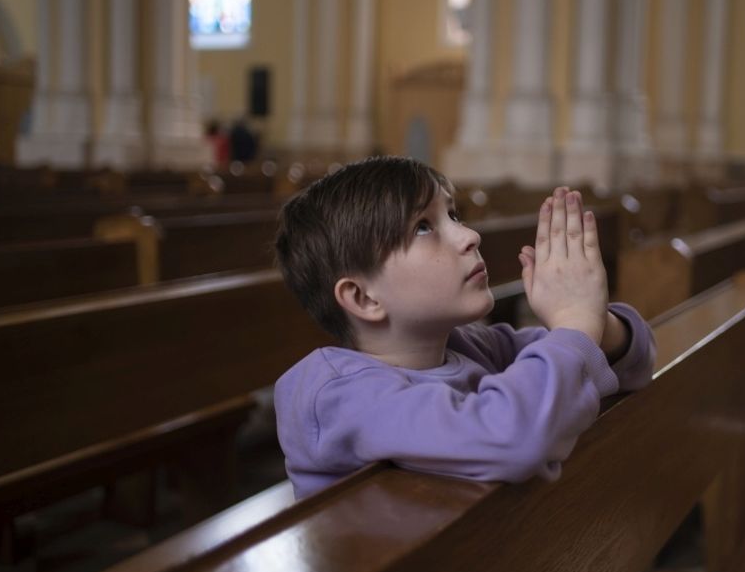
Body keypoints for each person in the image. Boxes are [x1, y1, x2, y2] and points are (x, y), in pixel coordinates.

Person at [272, 155, 656, 499]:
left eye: (453, 215)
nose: (470, 235)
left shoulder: (470, 347)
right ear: (365, 299)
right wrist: (573, 323)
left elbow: (631, 364)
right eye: (423, 227)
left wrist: (591, 318)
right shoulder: (338, 396)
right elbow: (513, 437)